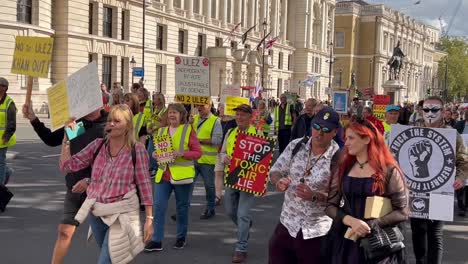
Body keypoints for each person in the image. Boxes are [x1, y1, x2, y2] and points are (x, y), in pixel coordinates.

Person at [59, 105, 154, 263]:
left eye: (117, 121)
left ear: (128, 126)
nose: (111, 124)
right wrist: (66, 138)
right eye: (110, 120)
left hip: (122, 214)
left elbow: (144, 186)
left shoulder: (137, 150)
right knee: (116, 259)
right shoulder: (98, 145)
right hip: (97, 213)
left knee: (105, 260)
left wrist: (149, 219)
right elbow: (67, 166)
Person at [22, 102, 108, 264]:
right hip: (75, 188)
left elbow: (116, 160)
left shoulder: (110, 124)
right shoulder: (77, 124)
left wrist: (90, 180)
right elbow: (51, 139)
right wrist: (33, 118)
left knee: (107, 240)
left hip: (101, 190)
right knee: (64, 231)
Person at [325, 117, 409, 263]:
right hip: (347, 240)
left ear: (367, 139)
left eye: (351, 138)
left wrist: (371, 225)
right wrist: (351, 221)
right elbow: (330, 206)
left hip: (378, 244)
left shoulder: (389, 170)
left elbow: (403, 211)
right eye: (346, 138)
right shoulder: (343, 168)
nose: (346, 143)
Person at [268, 107, 342, 264]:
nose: (319, 133)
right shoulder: (296, 145)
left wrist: (314, 196)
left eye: (326, 129)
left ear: (334, 132)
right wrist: (279, 181)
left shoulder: (339, 159)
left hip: (316, 233)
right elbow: (275, 171)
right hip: (287, 225)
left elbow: (341, 201)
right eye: (316, 127)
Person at [409, 96, 468, 264]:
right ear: (421, 111)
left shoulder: (452, 134)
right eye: (426, 109)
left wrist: (461, 178)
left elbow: (464, 161)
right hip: (416, 188)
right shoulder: (411, 131)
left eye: (434, 110)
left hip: (441, 188)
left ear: (443, 112)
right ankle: (420, 261)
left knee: (435, 233)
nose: (430, 113)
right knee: (417, 229)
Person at [145, 103, 202, 252]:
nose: (171, 115)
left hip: (182, 177)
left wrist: (182, 153)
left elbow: (198, 153)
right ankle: (157, 240)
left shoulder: (188, 130)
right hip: (163, 175)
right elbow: (157, 151)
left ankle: (181, 237)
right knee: (158, 206)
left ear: (181, 115)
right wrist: (154, 154)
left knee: (181, 208)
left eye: (175, 113)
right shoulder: (162, 130)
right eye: (170, 112)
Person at [219, 104, 257, 263]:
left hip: (248, 179)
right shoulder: (230, 132)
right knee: (229, 210)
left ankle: (241, 248)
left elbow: (263, 160)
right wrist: (224, 158)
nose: (239, 118)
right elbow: (222, 152)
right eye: (237, 115)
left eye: (243, 115)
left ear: (250, 117)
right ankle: (245, 225)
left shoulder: (258, 135)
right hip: (232, 178)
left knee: (242, 214)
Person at [189, 103, 223, 219]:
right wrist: (187, 124)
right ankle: (182, 210)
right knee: (187, 185)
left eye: (202, 106)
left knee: (209, 186)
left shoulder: (215, 121)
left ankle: (210, 208)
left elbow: (217, 140)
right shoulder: (194, 119)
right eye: (198, 105)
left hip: (207, 161)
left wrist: (200, 141)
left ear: (209, 105)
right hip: (193, 158)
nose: (199, 108)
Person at [214, 103, 237, 206]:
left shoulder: (233, 121)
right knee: (218, 173)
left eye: (223, 107)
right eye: (220, 107)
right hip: (218, 150)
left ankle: (232, 195)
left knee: (230, 174)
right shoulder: (216, 120)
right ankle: (218, 196)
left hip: (229, 151)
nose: (221, 109)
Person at [147, 93, 168, 175]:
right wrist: (150, 127)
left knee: (160, 154)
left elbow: (163, 123)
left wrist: (154, 129)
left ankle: (158, 169)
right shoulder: (155, 109)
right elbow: (153, 120)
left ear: (159, 100)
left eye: (155, 99)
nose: (153, 101)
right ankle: (153, 167)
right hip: (153, 135)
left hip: (161, 135)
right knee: (150, 152)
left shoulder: (164, 110)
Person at [0, 78, 16, 186]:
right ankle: (7, 171)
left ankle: (0, 185)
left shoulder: (9, 103)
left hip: (3, 138)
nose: (0, 87)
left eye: (3, 86)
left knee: (0, 162)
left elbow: (12, 123)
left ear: (6, 88)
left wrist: (6, 136)